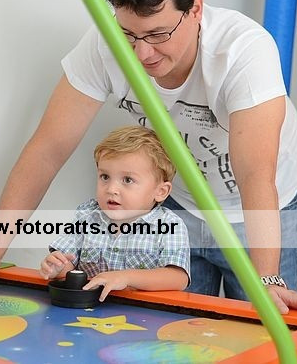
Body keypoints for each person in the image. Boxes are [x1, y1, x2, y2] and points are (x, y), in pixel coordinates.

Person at [0, 0, 297, 315]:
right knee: (175, 337)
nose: (142, 54)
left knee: (261, 332)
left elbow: (255, 175)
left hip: (256, 211)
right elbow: (48, 148)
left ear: (196, 9)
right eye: (128, 34)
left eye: (158, 34)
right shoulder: (104, 46)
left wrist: (266, 278)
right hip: (176, 206)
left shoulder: (244, 52)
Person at [39, 126, 190, 302]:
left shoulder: (170, 224)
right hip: (89, 310)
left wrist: (125, 277)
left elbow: (178, 278)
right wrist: (57, 268)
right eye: (105, 177)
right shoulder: (86, 215)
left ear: (160, 191)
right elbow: (68, 269)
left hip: (143, 313)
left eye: (128, 180)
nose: (111, 189)